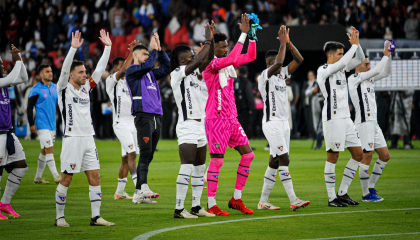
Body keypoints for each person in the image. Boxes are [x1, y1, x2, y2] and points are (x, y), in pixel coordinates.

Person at [55, 30, 114, 227]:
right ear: (72, 75)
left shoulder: (86, 87)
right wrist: (72, 49)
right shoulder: (63, 88)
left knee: (95, 177)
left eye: (85, 72)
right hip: (72, 138)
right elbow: (63, 71)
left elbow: (99, 70)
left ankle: (96, 217)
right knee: (66, 179)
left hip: (89, 138)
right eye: (80, 72)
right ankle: (60, 217)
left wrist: (108, 48)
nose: (85, 75)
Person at [202, 14, 256, 216]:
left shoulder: (227, 64)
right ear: (213, 49)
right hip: (216, 119)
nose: (225, 50)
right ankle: (211, 203)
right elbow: (233, 57)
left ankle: (236, 198)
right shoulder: (210, 64)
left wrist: (252, 36)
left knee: (248, 155)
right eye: (222, 47)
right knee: (216, 161)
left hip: (231, 118)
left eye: (226, 46)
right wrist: (242, 34)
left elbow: (250, 57)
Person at [257, 26, 309, 211]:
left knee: (275, 161)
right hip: (271, 124)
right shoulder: (264, 76)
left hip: (283, 124)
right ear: (268, 64)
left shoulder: (281, 75)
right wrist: (281, 43)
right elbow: (279, 63)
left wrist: (288, 43)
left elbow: (299, 60)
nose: (276, 65)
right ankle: (293, 199)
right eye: (272, 62)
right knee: (284, 159)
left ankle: (263, 201)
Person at [170, 22, 216, 219]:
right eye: (190, 53)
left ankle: (196, 206)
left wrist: (211, 40)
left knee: (199, 167)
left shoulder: (196, 73)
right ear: (182, 59)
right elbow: (198, 60)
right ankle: (179, 209)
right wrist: (206, 40)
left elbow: (209, 57)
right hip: (187, 125)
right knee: (187, 166)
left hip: (201, 126)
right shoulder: (176, 74)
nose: (194, 54)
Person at [317, 27, 365, 207]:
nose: (343, 56)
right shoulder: (323, 69)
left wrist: (357, 45)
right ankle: (331, 198)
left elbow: (359, 59)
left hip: (346, 119)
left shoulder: (342, 70)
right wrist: (352, 46)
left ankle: (343, 192)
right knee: (333, 156)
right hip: (333, 118)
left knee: (358, 154)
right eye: (340, 54)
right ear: (330, 55)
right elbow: (344, 61)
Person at [125, 32, 171, 204]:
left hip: (156, 115)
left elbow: (167, 68)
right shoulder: (132, 71)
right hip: (143, 115)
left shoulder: (150, 73)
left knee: (149, 154)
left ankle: (138, 193)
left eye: (148, 54)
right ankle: (143, 187)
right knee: (144, 152)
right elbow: (149, 64)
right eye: (144, 54)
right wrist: (154, 52)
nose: (148, 56)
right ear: (135, 55)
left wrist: (160, 50)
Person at [348, 42, 393, 202]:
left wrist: (389, 55)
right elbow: (376, 70)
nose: (369, 66)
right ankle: (366, 193)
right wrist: (385, 55)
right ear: (357, 67)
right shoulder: (353, 79)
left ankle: (371, 187)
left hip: (373, 123)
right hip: (363, 123)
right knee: (366, 157)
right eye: (366, 64)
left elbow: (386, 71)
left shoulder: (368, 80)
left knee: (385, 156)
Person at [105, 41, 140, 200]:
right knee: (132, 153)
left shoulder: (130, 82)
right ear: (114, 69)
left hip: (133, 124)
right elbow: (126, 68)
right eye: (121, 65)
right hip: (120, 124)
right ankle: (140, 191)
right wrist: (132, 53)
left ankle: (119, 192)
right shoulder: (112, 81)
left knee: (126, 158)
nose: (125, 67)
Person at [0, 45, 29, 220]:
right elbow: (12, 76)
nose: (3, 66)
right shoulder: (3, 81)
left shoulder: (4, 80)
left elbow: (23, 77)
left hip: (8, 133)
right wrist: (15, 61)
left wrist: (18, 59)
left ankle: (4, 202)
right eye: (0, 64)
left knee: (21, 165)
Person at [27, 64, 61, 185]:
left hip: (52, 126)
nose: (50, 73)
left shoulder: (55, 87)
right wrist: (31, 123)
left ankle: (38, 177)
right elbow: (30, 107)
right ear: (41, 74)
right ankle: (57, 176)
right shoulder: (35, 89)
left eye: (51, 71)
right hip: (41, 125)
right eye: (47, 71)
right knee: (49, 149)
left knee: (44, 151)